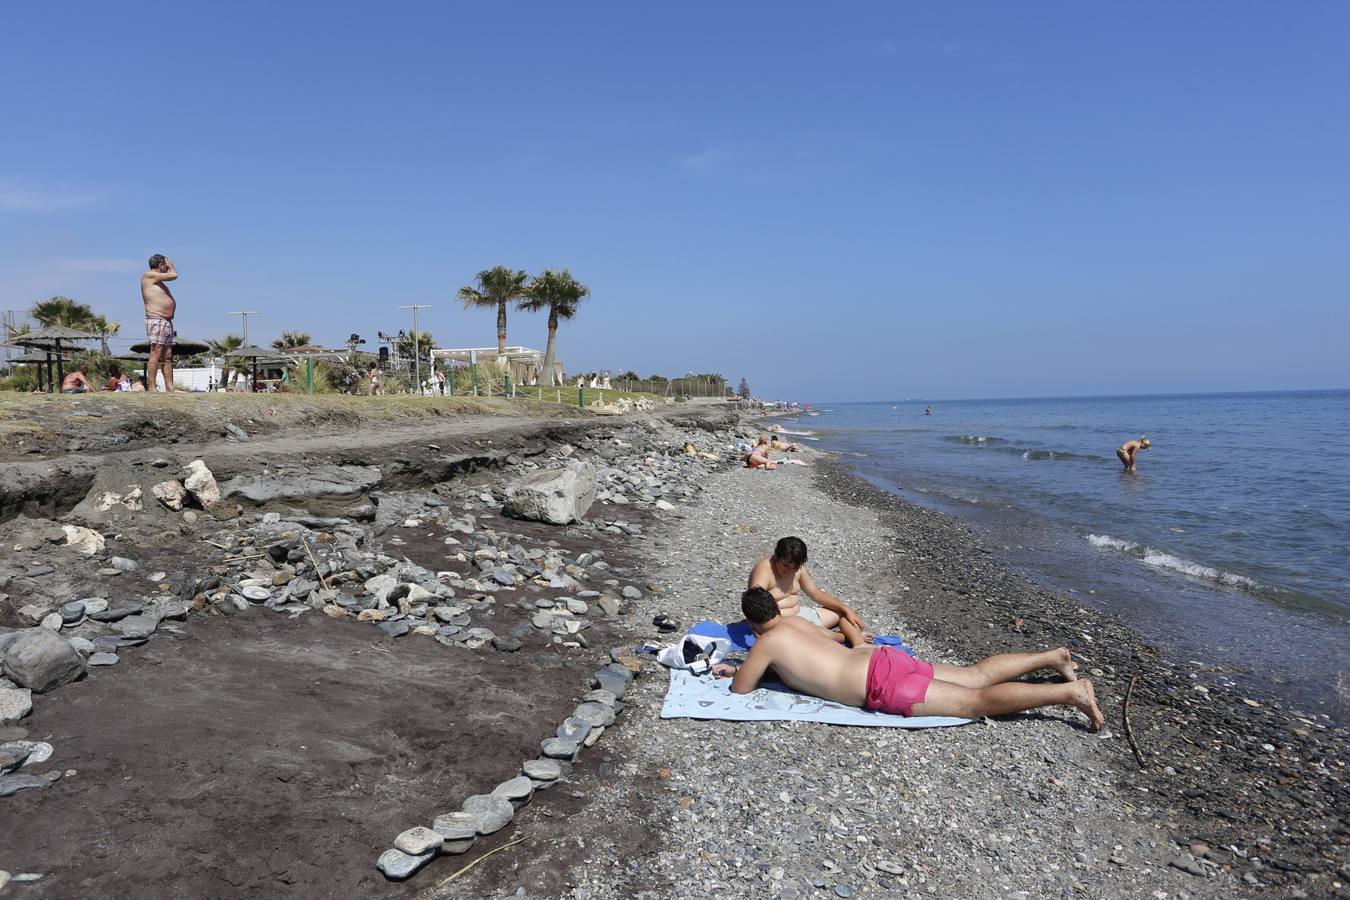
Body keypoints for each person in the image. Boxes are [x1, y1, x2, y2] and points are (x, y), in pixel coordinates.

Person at [714, 588, 1104, 730]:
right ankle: (1052, 656)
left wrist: (743, 666)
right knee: (975, 675)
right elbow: (826, 645)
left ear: (752, 623)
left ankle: (1070, 694)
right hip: (882, 659)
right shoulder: (796, 622)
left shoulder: (765, 643)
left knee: (975, 704)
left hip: (879, 685)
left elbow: (741, 687)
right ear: (776, 609)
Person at [748, 536, 868, 644]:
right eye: (786, 566)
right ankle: (848, 638)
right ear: (777, 557)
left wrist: (847, 610)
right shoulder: (764, 569)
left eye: (795, 567)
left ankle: (857, 642)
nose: (790, 571)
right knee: (814, 634)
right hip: (780, 622)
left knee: (842, 614)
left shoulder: (798, 567)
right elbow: (754, 603)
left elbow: (815, 594)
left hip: (801, 614)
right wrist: (757, 630)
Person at [140, 253, 178, 392]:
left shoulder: (158, 281)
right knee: (156, 352)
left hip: (166, 321)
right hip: (156, 319)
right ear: (161, 265)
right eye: (164, 266)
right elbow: (174, 275)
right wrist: (171, 264)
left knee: (167, 355)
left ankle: (170, 386)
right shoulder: (149, 275)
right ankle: (151, 386)